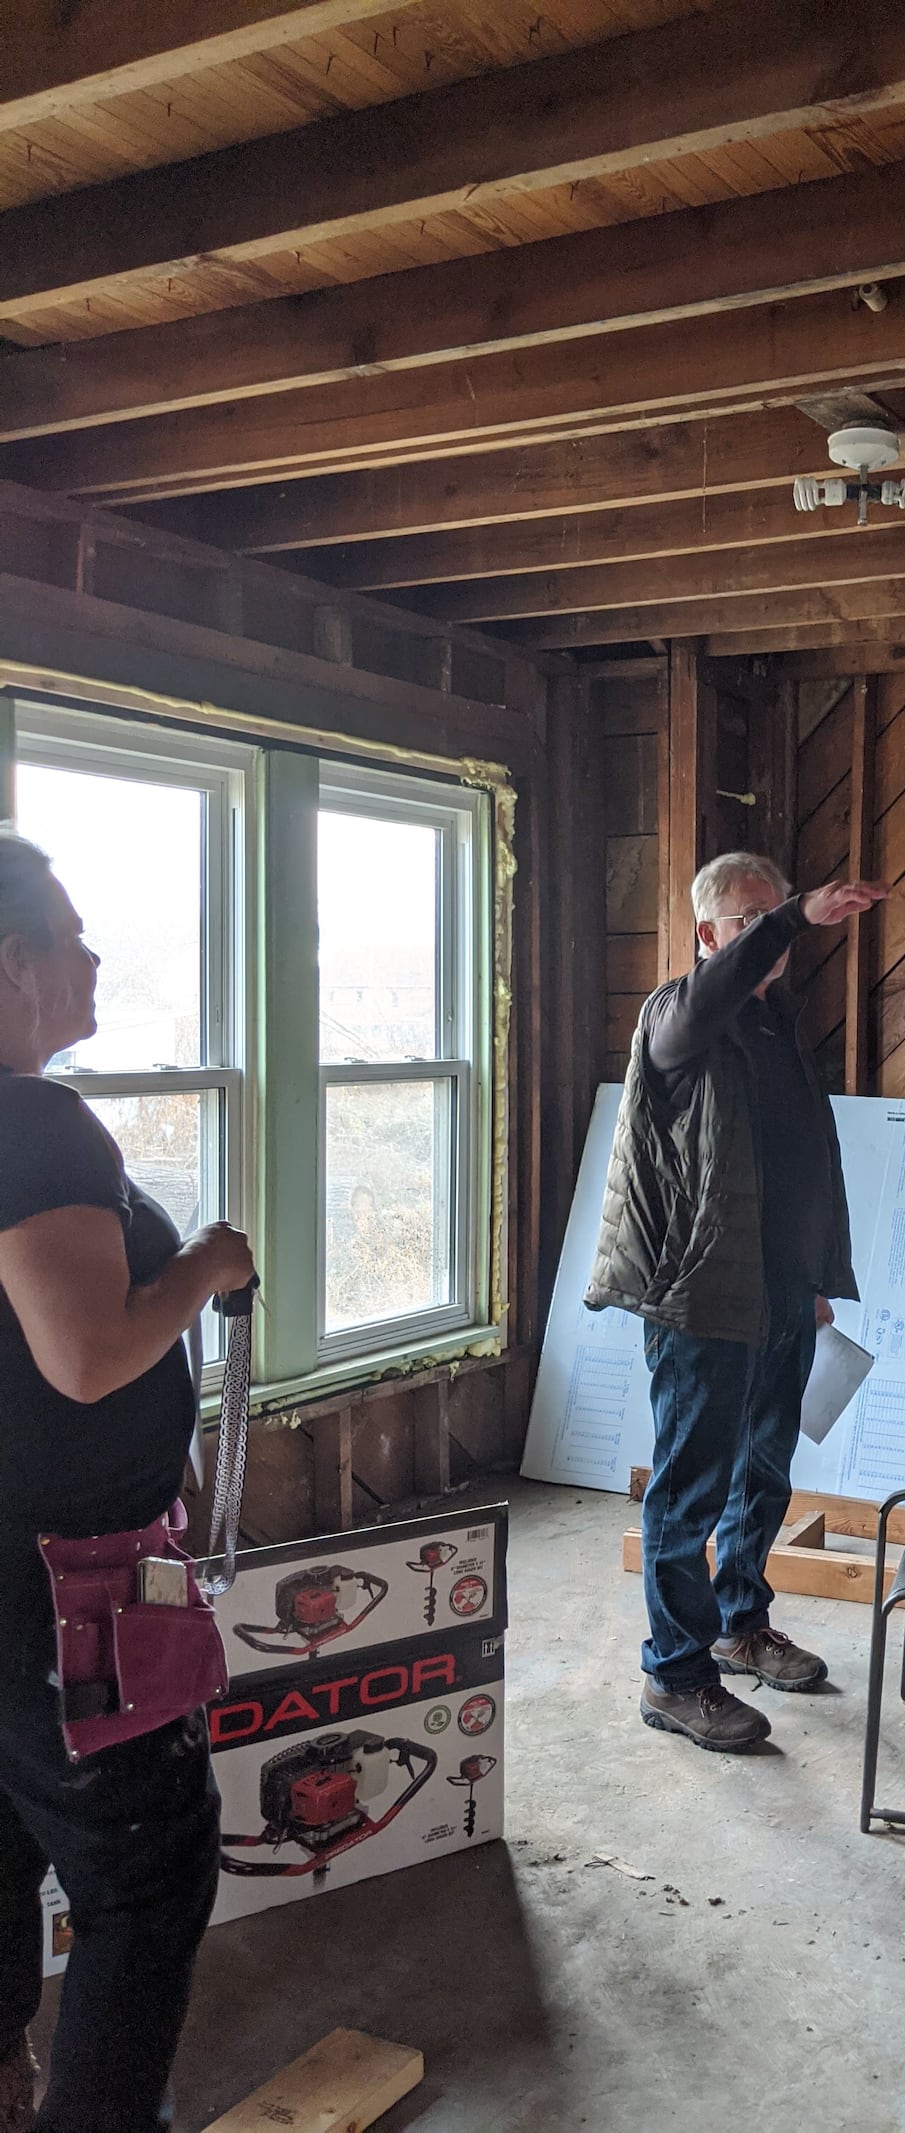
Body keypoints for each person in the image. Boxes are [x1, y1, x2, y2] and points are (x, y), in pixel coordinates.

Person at [0, 834, 256, 2133]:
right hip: (66, 1585)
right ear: (12, 964)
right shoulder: (34, 1123)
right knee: (147, 1876)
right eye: (73, 933)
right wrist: (203, 1268)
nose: (94, 958)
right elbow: (90, 1353)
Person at [587, 851, 888, 1753]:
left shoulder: (775, 1023)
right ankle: (675, 1675)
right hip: (703, 1303)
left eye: (772, 918)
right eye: (747, 921)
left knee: (763, 1472)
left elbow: (788, 1169)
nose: (768, 935)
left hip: (781, 1296)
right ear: (709, 936)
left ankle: (739, 1621)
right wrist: (793, 914)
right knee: (689, 1490)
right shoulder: (679, 1018)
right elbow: (723, 988)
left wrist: (812, 1284)